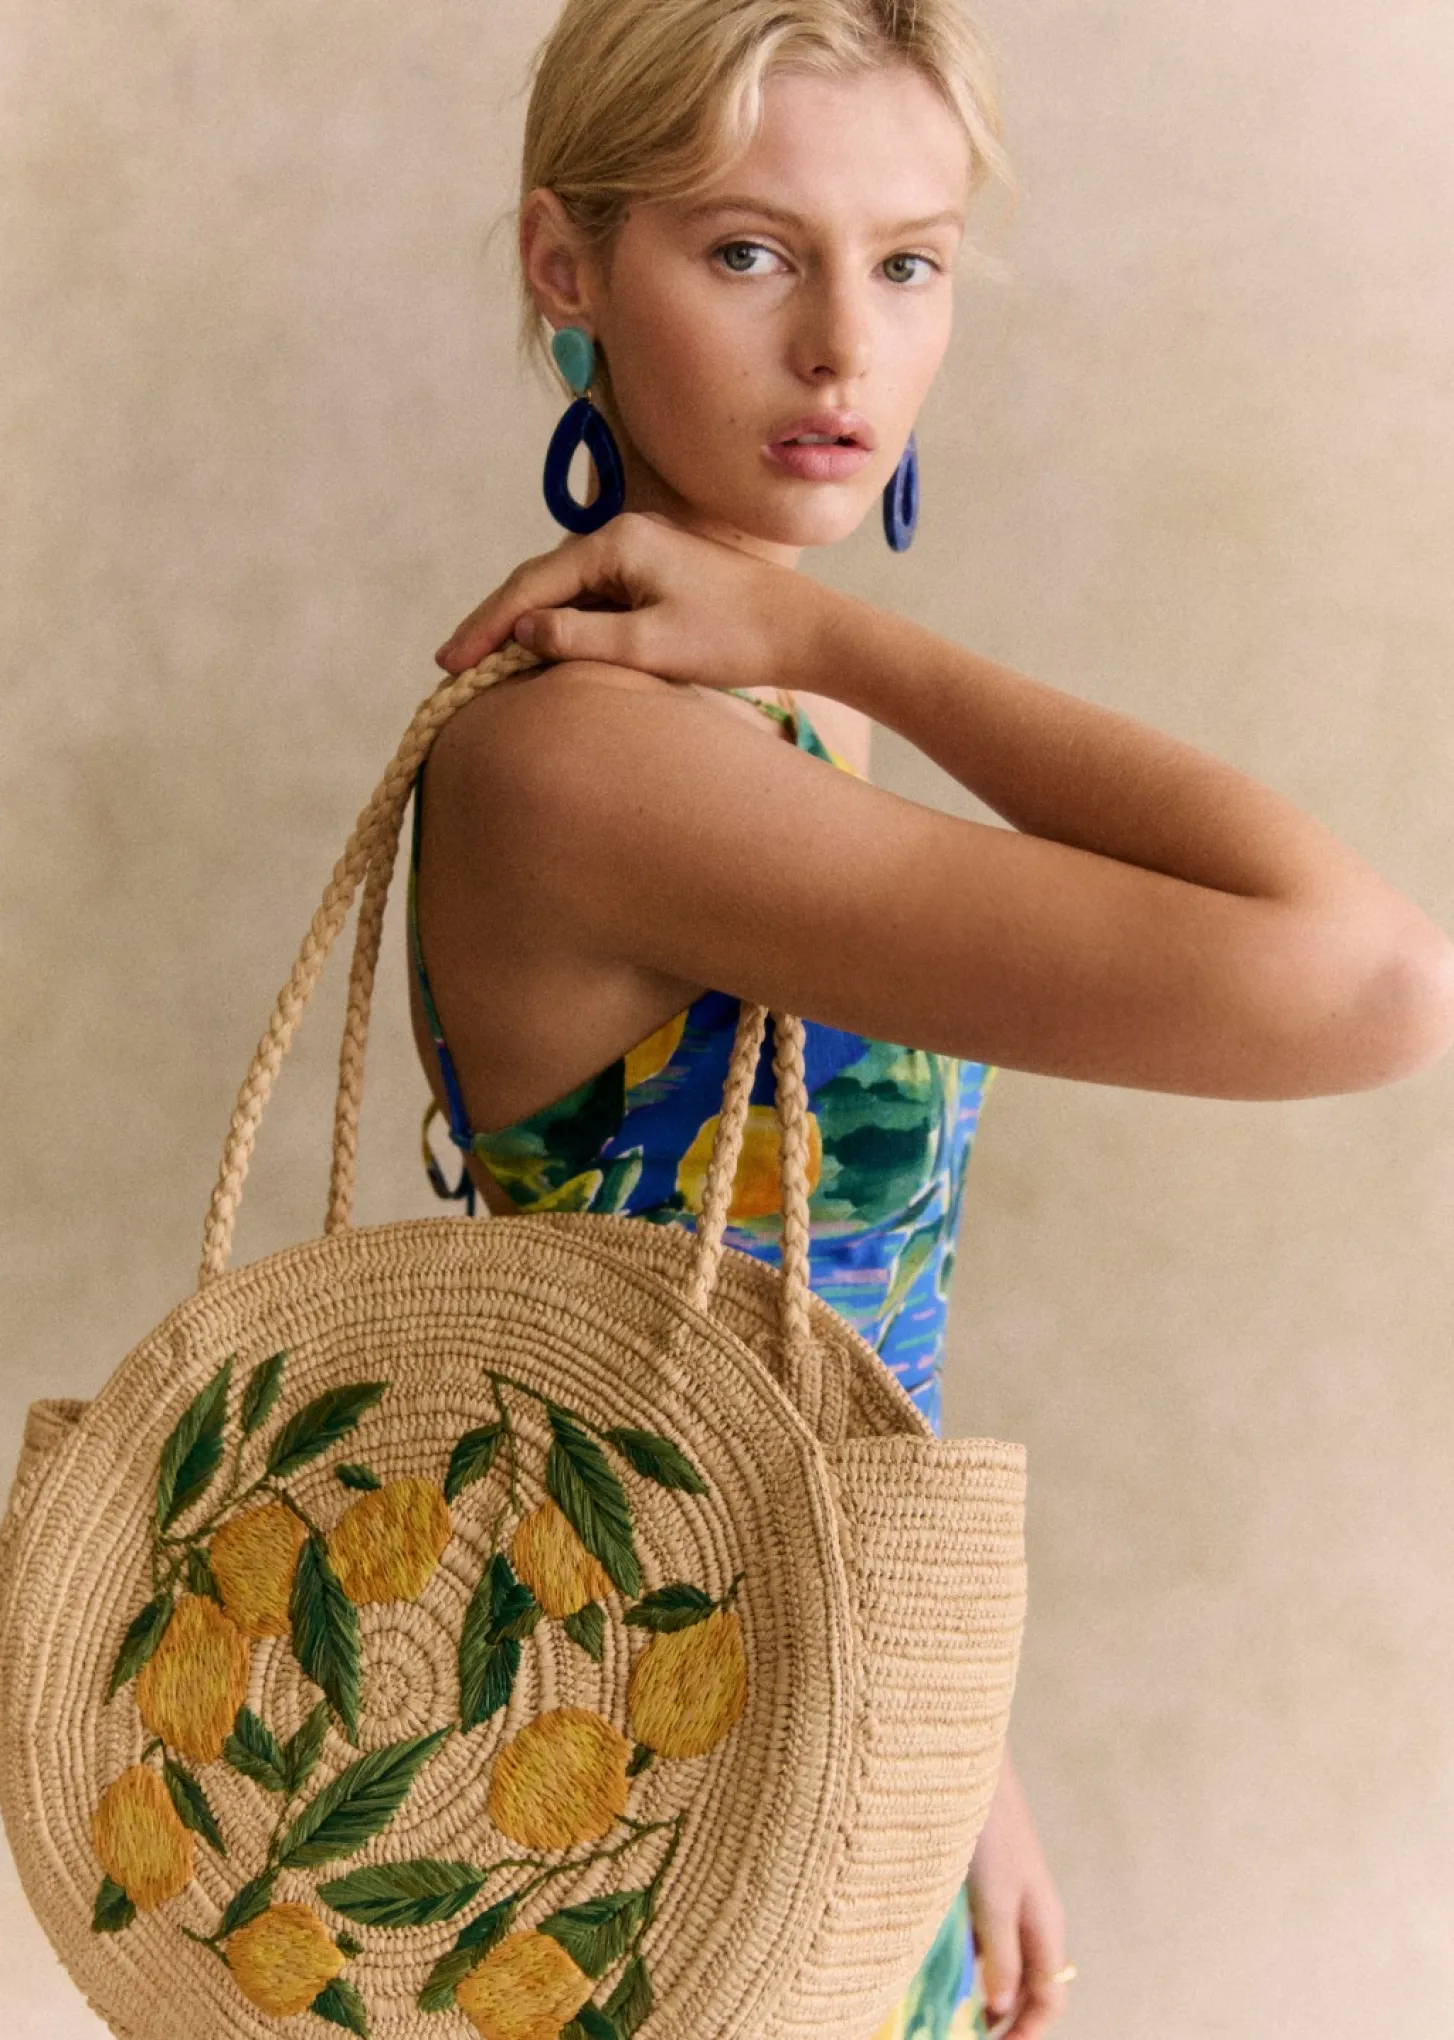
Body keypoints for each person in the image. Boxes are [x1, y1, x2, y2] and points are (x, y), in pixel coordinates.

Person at [409, 3, 1454, 2035]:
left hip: (820, 1739)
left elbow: (809, 1317)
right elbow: (1371, 981)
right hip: (654, 1821)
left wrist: (964, 1749)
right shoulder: (598, 764)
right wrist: (836, 629)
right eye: (748, 251)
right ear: (565, 265)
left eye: (907, 262)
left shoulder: (766, 718)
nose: (842, 350)